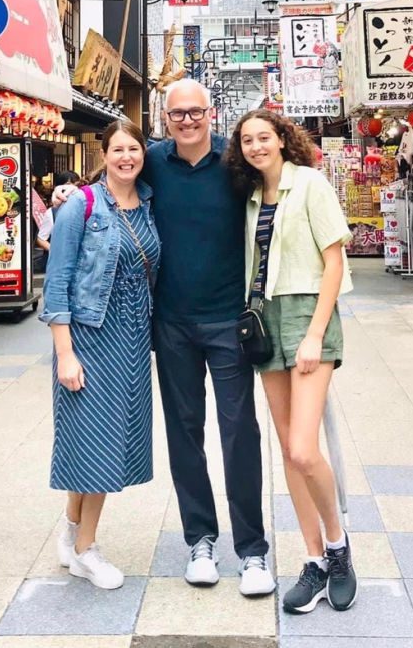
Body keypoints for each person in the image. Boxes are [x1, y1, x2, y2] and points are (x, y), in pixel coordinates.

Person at [56, 80, 275, 595]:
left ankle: (253, 551)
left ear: (211, 113)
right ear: (165, 116)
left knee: (240, 430)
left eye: (196, 111)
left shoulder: (235, 160)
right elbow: (115, 176)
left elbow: (281, 181)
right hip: (169, 323)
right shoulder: (154, 159)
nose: (187, 120)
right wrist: (69, 195)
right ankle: (199, 539)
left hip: (229, 320)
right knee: (184, 432)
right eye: (177, 113)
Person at [225, 110, 356, 615]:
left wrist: (315, 334)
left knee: (304, 448)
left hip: (306, 315)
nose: (256, 146)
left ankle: (340, 547)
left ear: (282, 139)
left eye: (264, 137)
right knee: (287, 448)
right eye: (247, 140)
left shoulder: (311, 184)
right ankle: (314, 559)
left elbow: (335, 260)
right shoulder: (253, 196)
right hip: (264, 319)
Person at [41, 121, 160, 590]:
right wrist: (65, 355)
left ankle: (71, 534)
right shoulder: (81, 206)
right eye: (118, 149)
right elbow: (56, 283)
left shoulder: (149, 204)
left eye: (134, 148)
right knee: (96, 444)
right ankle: (88, 548)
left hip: (132, 338)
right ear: (104, 154)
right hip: (90, 338)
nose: (126, 157)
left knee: (104, 441)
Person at [35, 171, 80, 272]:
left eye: (75, 184)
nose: (71, 188)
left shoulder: (85, 208)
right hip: (59, 265)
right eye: (68, 184)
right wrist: (58, 251)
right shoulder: (52, 212)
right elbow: (41, 239)